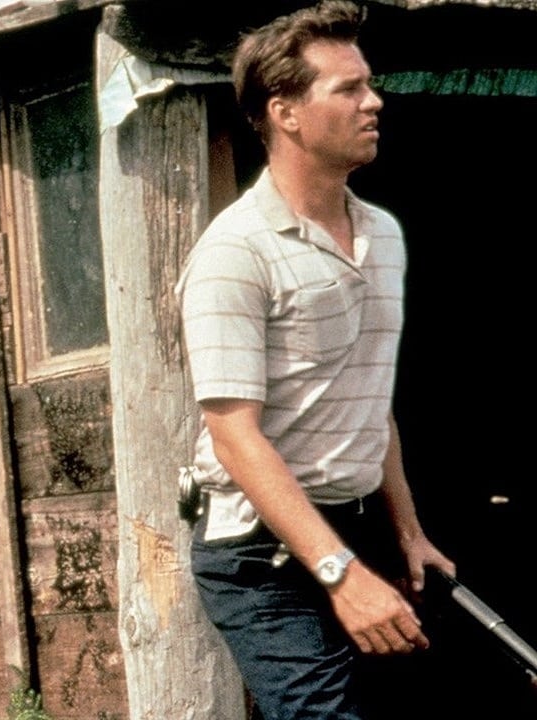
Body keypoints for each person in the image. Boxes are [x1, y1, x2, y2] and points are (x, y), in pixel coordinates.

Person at [175, 2, 455, 718]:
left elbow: (368, 400)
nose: (374, 101)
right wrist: (339, 574)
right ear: (286, 113)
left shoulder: (382, 235)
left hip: (358, 527)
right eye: (349, 88)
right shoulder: (234, 252)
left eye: (369, 83)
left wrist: (409, 533)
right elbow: (234, 436)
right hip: (260, 551)